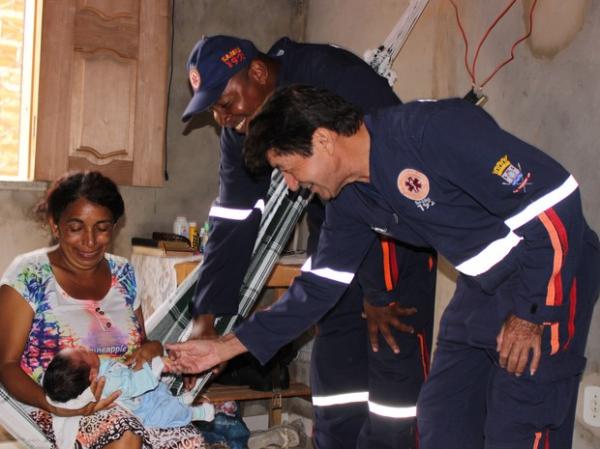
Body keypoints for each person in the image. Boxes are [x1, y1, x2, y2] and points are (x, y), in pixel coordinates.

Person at [166, 85, 600, 449]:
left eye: (289, 169)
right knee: (441, 419)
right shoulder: (352, 198)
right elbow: (316, 288)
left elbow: (555, 199)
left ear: (321, 140)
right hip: (482, 284)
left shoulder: (432, 131)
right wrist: (226, 346)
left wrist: (531, 313)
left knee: (520, 426)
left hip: (548, 270)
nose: (294, 186)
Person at [181, 35, 436, 448]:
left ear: (259, 74)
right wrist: (205, 317)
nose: (222, 117)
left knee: (393, 389)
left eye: (225, 103)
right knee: (336, 379)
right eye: (212, 109)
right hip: (335, 237)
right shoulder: (240, 127)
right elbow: (233, 217)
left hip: (394, 238)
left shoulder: (334, 76)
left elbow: (385, 174)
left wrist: (377, 290)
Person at [0, 171, 214, 449]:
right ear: (56, 225)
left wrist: (154, 348)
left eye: (101, 228)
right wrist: (53, 404)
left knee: (189, 442)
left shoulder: (123, 273)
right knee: (124, 433)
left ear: (114, 226)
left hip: (130, 396)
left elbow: (142, 343)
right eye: (76, 227)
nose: (90, 241)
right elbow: (5, 365)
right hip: (55, 406)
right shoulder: (29, 274)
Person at [43, 347, 215, 427]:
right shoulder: (107, 383)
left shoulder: (96, 366)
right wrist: (155, 366)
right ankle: (197, 413)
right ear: (92, 376)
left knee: (161, 392)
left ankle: (178, 400)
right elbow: (131, 385)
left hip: (145, 393)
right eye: (83, 353)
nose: (84, 347)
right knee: (166, 414)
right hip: (144, 411)